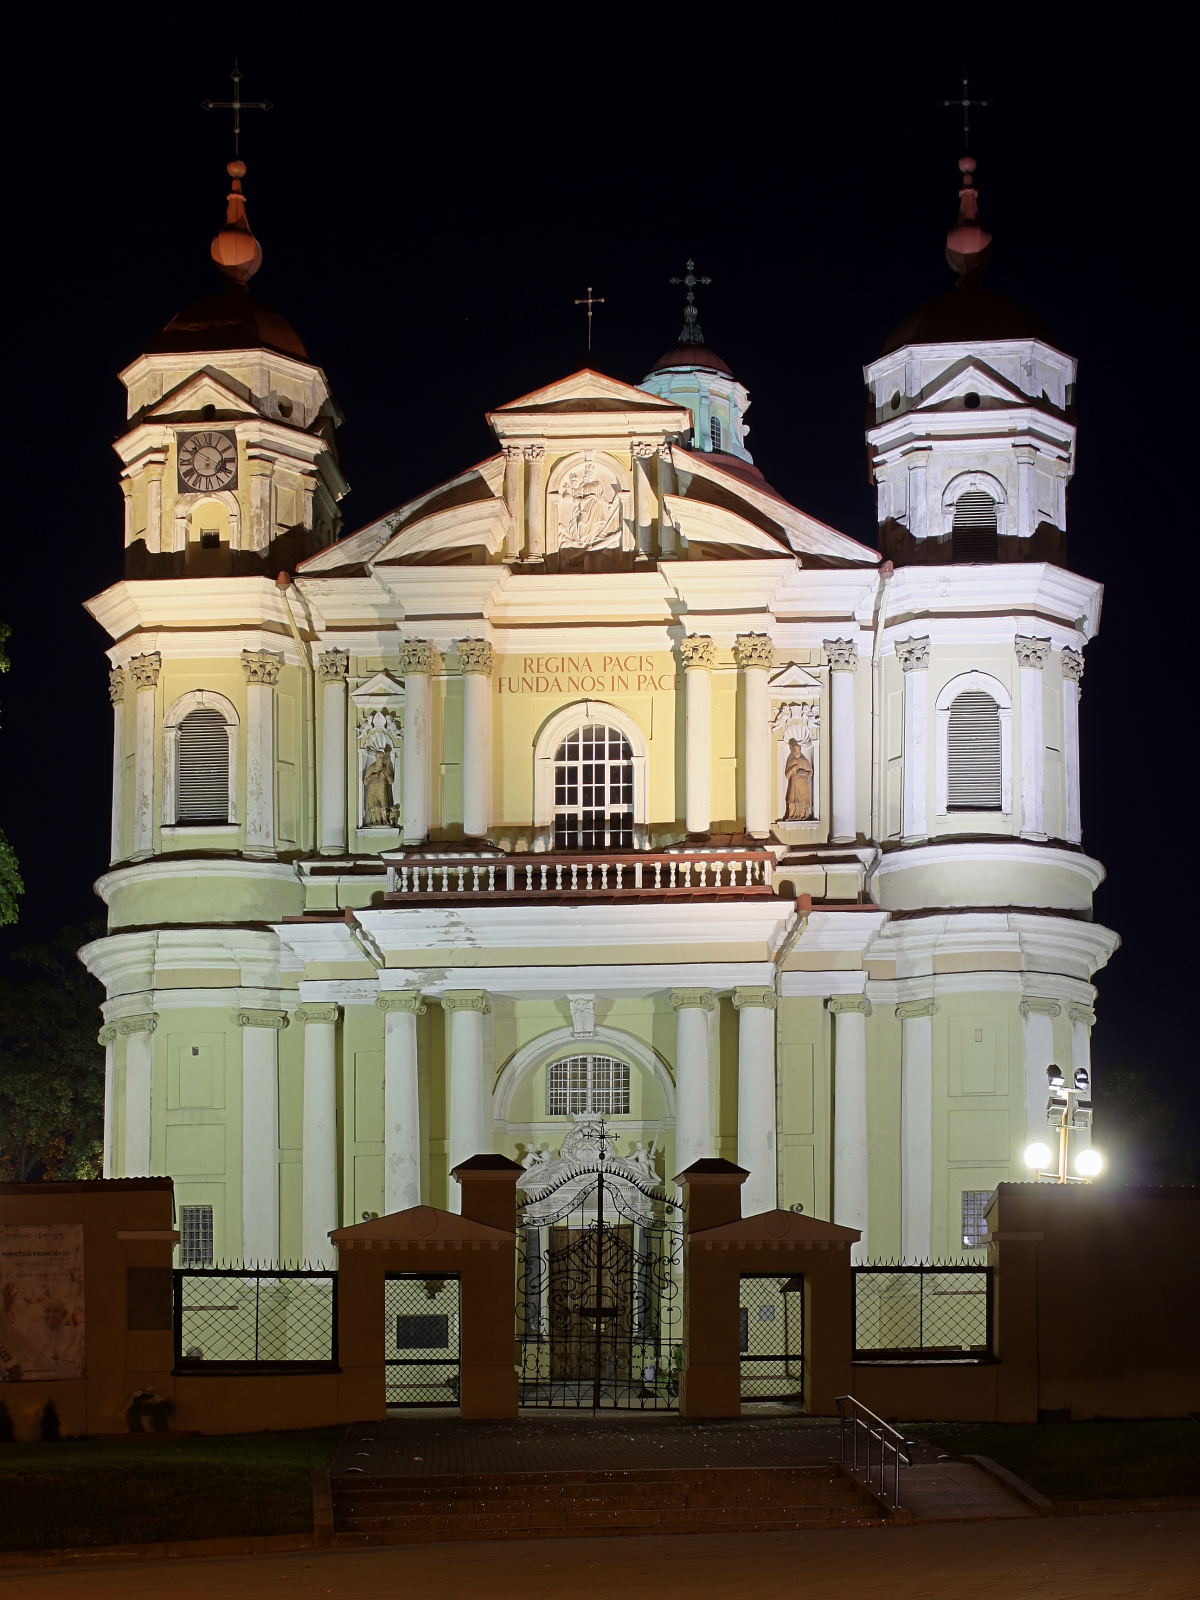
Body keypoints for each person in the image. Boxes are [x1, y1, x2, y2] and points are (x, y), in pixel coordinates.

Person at [362, 747, 395, 826]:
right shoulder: (372, 767)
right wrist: (373, 777)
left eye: (382, 758)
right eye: (380, 757)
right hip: (373, 789)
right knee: (374, 806)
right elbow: (365, 781)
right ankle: (374, 821)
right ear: (376, 757)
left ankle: (384, 820)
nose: (381, 759)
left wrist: (387, 775)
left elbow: (391, 781)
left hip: (382, 789)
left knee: (383, 805)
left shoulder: (385, 768)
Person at [784, 738, 814, 820]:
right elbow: (787, 776)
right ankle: (792, 815)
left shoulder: (804, 761)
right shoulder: (792, 761)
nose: (795, 751)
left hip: (802, 786)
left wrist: (802, 772)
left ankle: (803, 815)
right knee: (792, 800)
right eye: (793, 750)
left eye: (796, 750)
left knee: (802, 801)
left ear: (800, 750)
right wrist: (792, 768)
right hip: (794, 785)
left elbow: (810, 773)